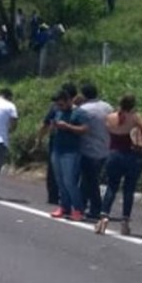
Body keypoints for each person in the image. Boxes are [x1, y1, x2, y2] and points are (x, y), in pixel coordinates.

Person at [95, 95, 142, 235]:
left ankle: (103, 217)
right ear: (133, 105)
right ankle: (125, 222)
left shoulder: (110, 118)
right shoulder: (135, 118)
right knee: (129, 190)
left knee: (112, 186)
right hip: (132, 156)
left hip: (114, 155)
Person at [47, 89, 88, 221]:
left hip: (71, 152)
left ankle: (78, 209)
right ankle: (64, 207)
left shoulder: (79, 113)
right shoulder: (58, 112)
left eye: (62, 104)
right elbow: (50, 127)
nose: (60, 107)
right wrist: (53, 127)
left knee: (70, 181)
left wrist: (68, 127)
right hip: (57, 149)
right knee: (59, 180)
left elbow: (84, 129)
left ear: (69, 101)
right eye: (58, 105)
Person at [37, 82, 78, 205]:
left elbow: (45, 124)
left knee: (54, 170)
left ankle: (53, 196)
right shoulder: (78, 109)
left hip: (56, 141)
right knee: (70, 173)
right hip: (73, 144)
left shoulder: (55, 107)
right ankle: (69, 198)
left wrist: (39, 139)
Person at [77, 83, 113, 220]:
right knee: (89, 179)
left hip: (88, 149)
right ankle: (82, 204)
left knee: (90, 180)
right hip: (105, 148)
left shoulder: (83, 109)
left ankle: (96, 208)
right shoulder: (107, 107)